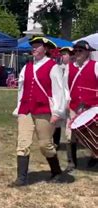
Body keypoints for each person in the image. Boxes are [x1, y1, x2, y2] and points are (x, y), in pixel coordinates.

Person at [10, 36, 68, 186]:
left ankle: (56, 171)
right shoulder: (27, 67)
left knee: (45, 144)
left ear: (46, 49)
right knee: (22, 143)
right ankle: (21, 178)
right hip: (26, 109)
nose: (34, 48)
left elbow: (58, 91)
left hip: (43, 110)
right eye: (33, 46)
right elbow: (21, 90)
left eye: (37, 46)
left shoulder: (52, 67)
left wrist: (57, 112)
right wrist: (19, 108)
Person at [63, 40, 98, 170]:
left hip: (92, 106)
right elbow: (65, 87)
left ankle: (94, 156)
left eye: (80, 51)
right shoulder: (69, 67)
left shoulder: (95, 66)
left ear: (87, 52)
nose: (77, 53)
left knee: (93, 133)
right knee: (69, 134)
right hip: (74, 105)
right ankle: (71, 162)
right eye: (75, 51)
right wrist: (67, 100)